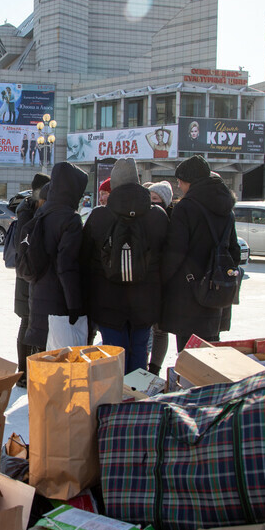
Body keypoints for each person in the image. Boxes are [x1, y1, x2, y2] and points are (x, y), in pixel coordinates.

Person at [81, 159, 168, 374]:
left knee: (112, 352)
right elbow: (167, 257)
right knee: (139, 348)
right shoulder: (157, 216)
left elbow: (84, 258)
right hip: (146, 301)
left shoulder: (99, 216)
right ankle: (135, 398)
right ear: (137, 181)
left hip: (107, 300)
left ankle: (114, 398)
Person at [160, 156, 240, 352]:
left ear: (190, 180)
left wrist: (161, 278)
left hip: (190, 294)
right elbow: (234, 251)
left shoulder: (186, 208)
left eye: (180, 181)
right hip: (219, 290)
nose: (178, 186)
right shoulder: (226, 209)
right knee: (210, 353)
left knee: (188, 355)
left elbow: (175, 252)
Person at [28, 162, 88, 351]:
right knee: (60, 365)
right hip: (59, 299)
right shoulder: (70, 219)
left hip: (37, 294)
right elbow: (66, 265)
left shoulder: (42, 212)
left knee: (42, 362)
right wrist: (75, 305)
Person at [12, 172, 51, 387]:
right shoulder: (28, 214)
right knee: (27, 321)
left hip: (28, 274)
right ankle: (23, 372)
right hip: (27, 274)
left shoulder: (28, 210)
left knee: (29, 322)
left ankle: (26, 371)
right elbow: (24, 245)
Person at [145, 180, 174, 374]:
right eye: (149, 198)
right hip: (147, 281)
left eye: (156, 199)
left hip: (164, 283)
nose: (152, 203)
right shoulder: (145, 218)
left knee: (160, 330)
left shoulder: (172, 222)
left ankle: (154, 368)